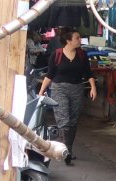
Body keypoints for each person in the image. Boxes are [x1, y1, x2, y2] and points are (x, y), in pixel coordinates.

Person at [38, 28, 97, 166]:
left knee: (73, 121)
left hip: (77, 88)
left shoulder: (82, 55)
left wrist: (93, 87)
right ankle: (65, 152)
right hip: (59, 89)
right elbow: (50, 75)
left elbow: (88, 73)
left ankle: (67, 149)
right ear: (68, 41)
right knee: (63, 120)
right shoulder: (56, 55)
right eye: (77, 38)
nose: (80, 40)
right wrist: (41, 91)